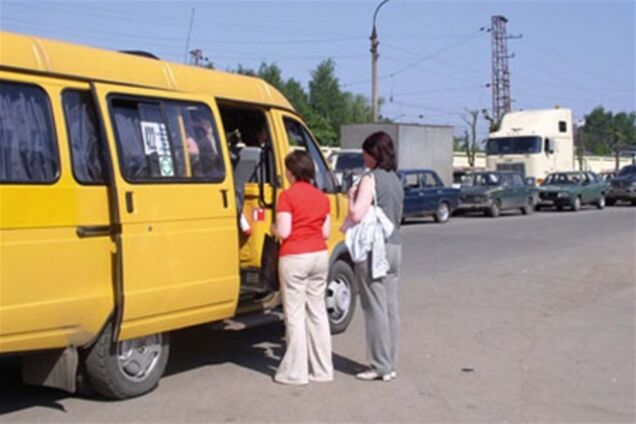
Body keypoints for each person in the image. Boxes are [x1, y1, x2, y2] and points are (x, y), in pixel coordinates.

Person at [344, 131, 403, 382]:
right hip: (395, 247)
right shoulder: (395, 180)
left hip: (374, 249)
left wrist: (350, 198)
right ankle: (389, 362)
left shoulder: (370, 179)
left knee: (374, 307)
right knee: (390, 307)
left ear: (374, 154)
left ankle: (379, 365)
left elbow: (357, 215)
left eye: (365, 152)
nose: (363, 157)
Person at [271, 150, 333, 385]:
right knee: (317, 313)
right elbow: (325, 232)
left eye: (287, 169)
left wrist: (274, 228)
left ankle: (296, 372)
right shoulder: (322, 197)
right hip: (319, 256)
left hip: (295, 257)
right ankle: (323, 370)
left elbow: (285, 232)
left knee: (295, 315)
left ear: (292, 172)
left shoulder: (287, 196)